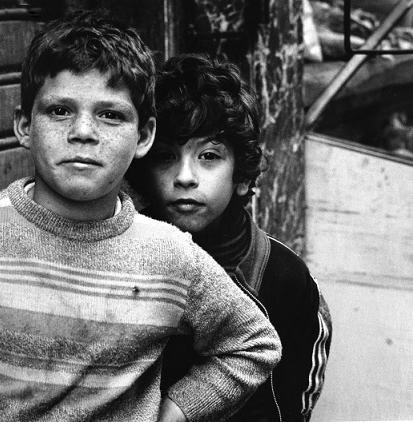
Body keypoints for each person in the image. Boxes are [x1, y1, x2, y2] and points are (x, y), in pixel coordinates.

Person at [0, 12, 282, 422]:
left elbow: (252, 344)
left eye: (110, 115)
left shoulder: (171, 258)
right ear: (23, 126)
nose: (83, 132)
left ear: (145, 135)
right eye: (60, 111)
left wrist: (173, 413)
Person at [126, 53, 332, 422]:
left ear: (242, 175)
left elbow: (294, 402)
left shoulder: (283, 279)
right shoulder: (124, 263)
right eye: (166, 156)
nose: (185, 177)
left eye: (208, 156)